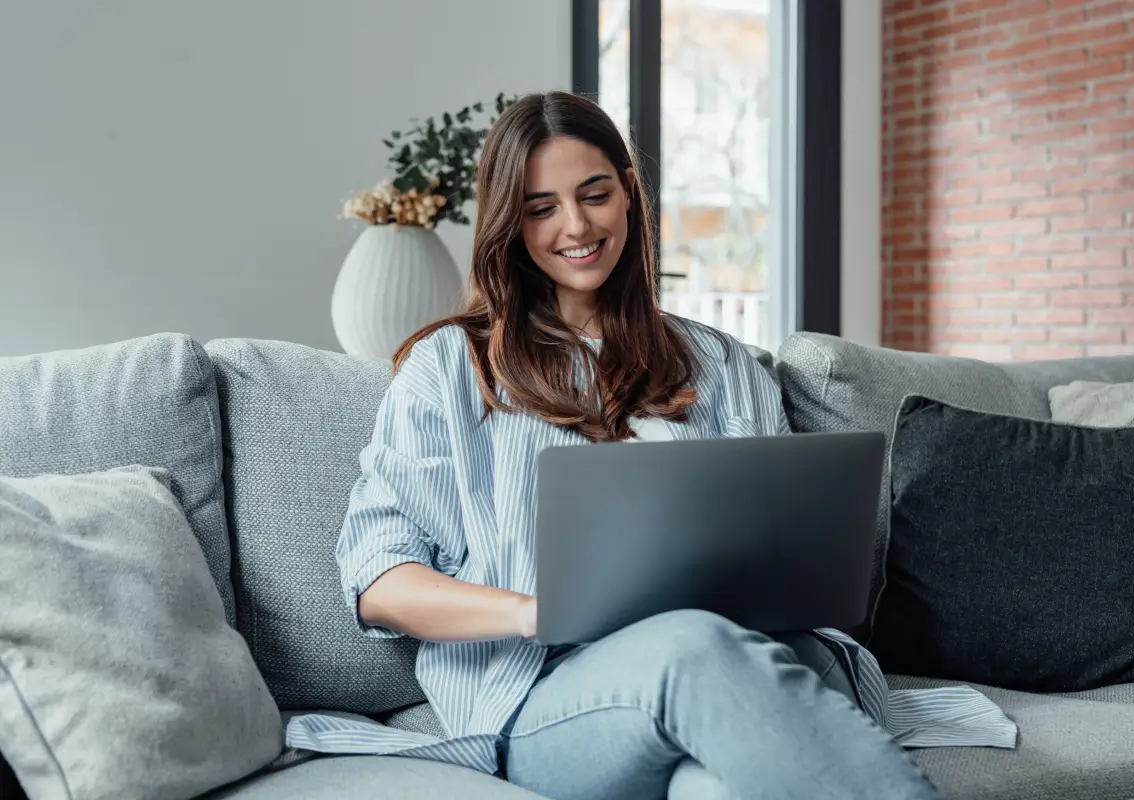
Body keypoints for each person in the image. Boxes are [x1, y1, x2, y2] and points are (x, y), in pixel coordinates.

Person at [286, 91, 1015, 799]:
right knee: (690, 646)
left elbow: (785, 545)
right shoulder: (449, 368)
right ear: (512, 223)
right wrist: (536, 610)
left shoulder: (722, 363)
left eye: (595, 193)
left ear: (630, 193)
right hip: (553, 700)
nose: (575, 225)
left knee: (711, 782)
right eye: (542, 208)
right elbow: (380, 582)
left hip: (753, 662)